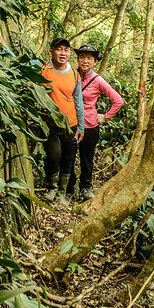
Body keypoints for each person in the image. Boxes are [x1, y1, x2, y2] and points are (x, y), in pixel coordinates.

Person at [67, 44, 124, 200]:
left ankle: (85, 187)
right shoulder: (70, 74)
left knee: (87, 159)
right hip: (70, 123)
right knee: (68, 157)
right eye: (82, 57)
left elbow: (118, 101)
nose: (85, 61)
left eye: (89, 58)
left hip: (89, 126)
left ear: (95, 62)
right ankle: (69, 188)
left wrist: (105, 117)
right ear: (77, 59)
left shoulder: (98, 80)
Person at [40, 37, 84, 203]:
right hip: (50, 124)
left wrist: (81, 126)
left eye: (66, 50)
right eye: (59, 49)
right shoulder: (43, 69)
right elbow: (20, 68)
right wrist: (4, 47)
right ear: (51, 51)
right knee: (54, 154)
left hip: (70, 125)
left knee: (68, 159)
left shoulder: (74, 73)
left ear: (69, 53)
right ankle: (51, 187)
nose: (63, 53)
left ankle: (62, 193)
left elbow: (78, 101)